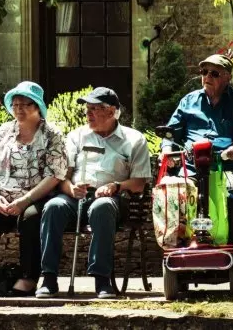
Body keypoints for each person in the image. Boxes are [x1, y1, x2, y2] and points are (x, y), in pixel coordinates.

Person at [36, 87, 152, 299]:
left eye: (94, 109)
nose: (87, 114)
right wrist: (70, 188)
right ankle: (48, 278)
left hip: (114, 198)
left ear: (111, 112)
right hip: (76, 196)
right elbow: (62, 177)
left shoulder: (134, 139)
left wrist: (116, 186)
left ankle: (102, 279)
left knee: (103, 207)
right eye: (87, 109)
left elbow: (139, 183)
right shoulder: (76, 137)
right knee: (53, 207)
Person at [0, 81, 67, 297]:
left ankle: (29, 277)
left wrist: (25, 201)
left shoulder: (52, 135)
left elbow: (55, 174)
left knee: (31, 219)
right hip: (2, 195)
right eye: (15, 105)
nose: (19, 109)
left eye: (25, 104)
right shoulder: (3, 131)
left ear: (37, 108)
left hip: (36, 196)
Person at [161, 54, 233, 261]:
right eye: (204, 72)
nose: (207, 77)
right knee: (174, 195)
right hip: (192, 165)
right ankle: (176, 250)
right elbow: (171, 130)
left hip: (226, 164)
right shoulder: (189, 101)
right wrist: (167, 150)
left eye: (214, 73)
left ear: (227, 77)